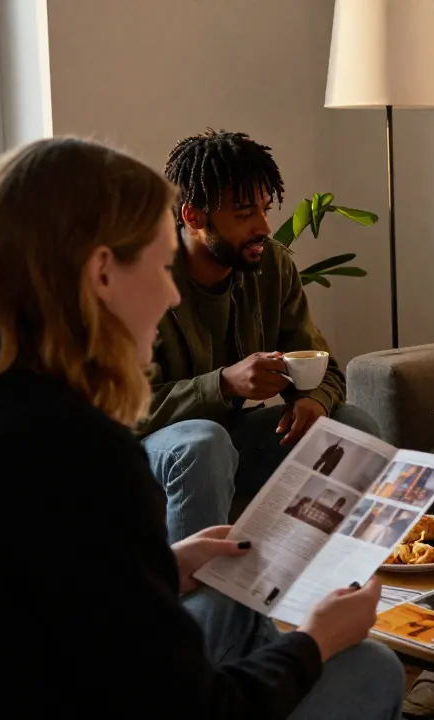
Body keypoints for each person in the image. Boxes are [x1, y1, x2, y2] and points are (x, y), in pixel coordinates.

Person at [0, 137, 403, 718]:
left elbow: (37, 594)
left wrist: (163, 567)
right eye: (160, 266)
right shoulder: (81, 454)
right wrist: (316, 641)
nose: (167, 292)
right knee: (369, 669)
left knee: (233, 590)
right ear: (102, 272)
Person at [139, 129, 380, 543]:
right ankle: (196, 602)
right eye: (245, 213)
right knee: (204, 441)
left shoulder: (272, 266)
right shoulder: (143, 276)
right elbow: (120, 407)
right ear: (193, 217)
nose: (264, 227)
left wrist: (311, 400)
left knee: (351, 424)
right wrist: (223, 384)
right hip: (157, 449)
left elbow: (324, 369)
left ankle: (336, 579)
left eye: (266, 209)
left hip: (235, 439)